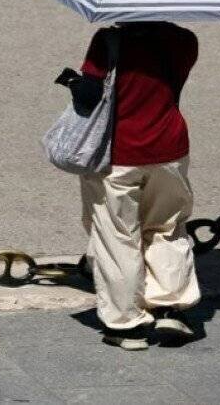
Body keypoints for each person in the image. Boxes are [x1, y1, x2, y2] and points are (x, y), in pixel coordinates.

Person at [76, 20, 200, 351]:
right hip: (170, 149)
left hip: (118, 154)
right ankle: (170, 308)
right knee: (167, 229)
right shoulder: (184, 40)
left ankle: (126, 324)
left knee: (117, 237)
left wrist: (74, 83)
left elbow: (88, 96)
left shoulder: (109, 41)